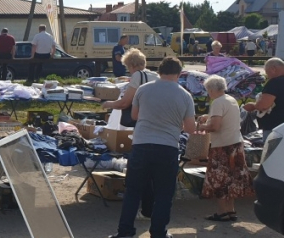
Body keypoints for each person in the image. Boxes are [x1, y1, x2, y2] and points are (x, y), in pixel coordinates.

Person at [109, 57, 196, 238]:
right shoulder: (185, 95)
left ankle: (124, 232)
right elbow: (190, 128)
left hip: (141, 144)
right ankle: (158, 232)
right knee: (164, 193)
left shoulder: (143, 89)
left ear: (159, 72)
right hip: (167, 147)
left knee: (133, 191)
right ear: (178, 74)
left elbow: (134, 115)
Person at [102, 48, 159, 221]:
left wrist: (107, 104)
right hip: (156, 125)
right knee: (152, 172)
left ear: (132, 65)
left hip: (141, 125)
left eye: (128, 66)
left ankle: (138, 214)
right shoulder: (155, 76)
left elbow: (125, 102)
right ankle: (150, 209)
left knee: (138, 173)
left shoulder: (137, 76)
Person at [197, 75, 255, 222]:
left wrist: (202, 126)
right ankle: (231, 211)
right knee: (232, 178)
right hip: (236, 143)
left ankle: (222, 211)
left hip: (223, 146)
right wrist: (208, 117)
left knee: (220, 179)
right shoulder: (231, 99)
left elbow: (215, 127)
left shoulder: (217, 102)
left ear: (211, 89)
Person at [243, 58, 284, 142]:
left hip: (276, 128)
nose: (267, 76)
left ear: (273, 68)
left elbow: (263, 106)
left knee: (273, 154)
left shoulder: (275, 82)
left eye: (267, 72)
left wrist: (254, 105)